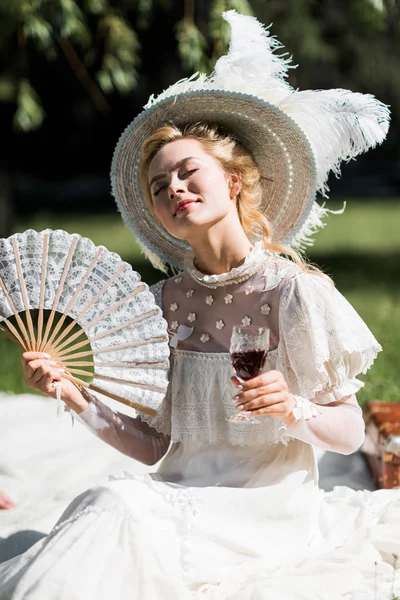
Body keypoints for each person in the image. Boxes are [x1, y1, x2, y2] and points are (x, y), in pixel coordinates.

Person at [0, 10, 399, 600]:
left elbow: (347, 434)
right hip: (182, 494)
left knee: (115, 512)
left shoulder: (293, 293)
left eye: (188, 173)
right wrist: (75, 395)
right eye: (160, 189)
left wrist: (293, 408)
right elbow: (159, 446)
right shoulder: (161, 303)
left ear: (233, 182)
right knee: (105, 502)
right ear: (156, 213)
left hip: (268, 513)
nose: (175, 190)